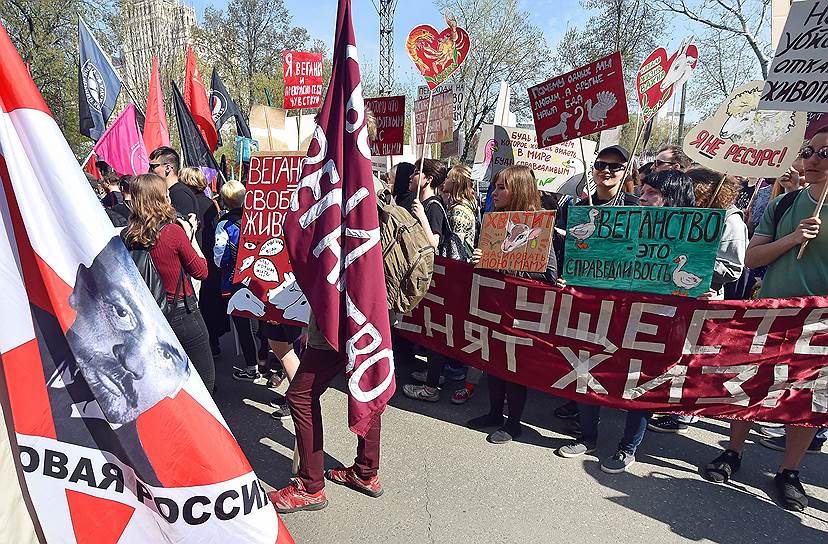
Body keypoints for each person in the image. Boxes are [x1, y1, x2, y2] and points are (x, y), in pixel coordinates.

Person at [701, 128, 828, 512]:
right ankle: (733, 451)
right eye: (810, 150)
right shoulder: (785, 204)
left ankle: (788, 472)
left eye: (825, 152)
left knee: (808, 399)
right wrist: (792, 238)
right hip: (771, 313)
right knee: (752, 384)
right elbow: (752, 260)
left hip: (820, 324)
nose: (813, 158)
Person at [556, 170, 696, 473]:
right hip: (614, 313)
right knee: (591, 366)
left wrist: (706, 289)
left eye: (649, 194)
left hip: (656, 320)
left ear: (670, 200)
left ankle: (628, 447)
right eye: (642, 192)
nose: (641, 199)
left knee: (641, 382)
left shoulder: (691, 239)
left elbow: (711, 272)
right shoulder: (623, 223)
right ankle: (587, 436)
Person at [462, 166, 560, 444]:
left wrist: (507, 265)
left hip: (521, 312)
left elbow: (549, 273)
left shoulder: (539, 225)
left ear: (519, 189)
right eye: (496, 186)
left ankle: (514, 423)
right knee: (493, 363)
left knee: (513, 368)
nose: (495, 191)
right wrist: (480, 259)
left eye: (502, 187)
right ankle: (494, 414)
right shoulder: (495, 221)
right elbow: (488, 266)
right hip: (495, 305)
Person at [647, 168, 747, 434]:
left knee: (693, 355)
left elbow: (733, 268)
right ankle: (665, 402)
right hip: (674, 295)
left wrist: (697, 263)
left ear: (703, 189)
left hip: (705, 297)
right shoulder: (688, 216)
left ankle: (685, 414)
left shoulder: (731, 221)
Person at [553, 145, 638, 422]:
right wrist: (565, 273)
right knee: (582, 354)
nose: (607, 171)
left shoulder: (636, 209)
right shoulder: (579, 208)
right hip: (583, 295)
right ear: (593, 169)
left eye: (615, 166)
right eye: (601, 164)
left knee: (608, 358)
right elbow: (569, 250)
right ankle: (580, 408)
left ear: (625, 172)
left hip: (618, 298)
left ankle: (593, 418)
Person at [122, 173, 215, 393]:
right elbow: (201, 272)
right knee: (204, 382)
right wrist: (190, 236)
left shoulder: (127, 236)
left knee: (167, 387)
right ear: (162, 198)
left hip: (148, 317)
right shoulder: (173, 232)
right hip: (183, 314)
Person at [213, 179, 269, 382]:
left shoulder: (224, 224)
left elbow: (219, 258)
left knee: (243, 324)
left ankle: (252, 366)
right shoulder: (258, 217)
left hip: (234, 279)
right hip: (260, 275)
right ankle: (265, 360)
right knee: (262, 320)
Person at [148, 146, 197, 217]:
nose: (149, 170)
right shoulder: (171, 192)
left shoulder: (180, 195)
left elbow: (181, 227)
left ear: (168, 168)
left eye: (153, 166)